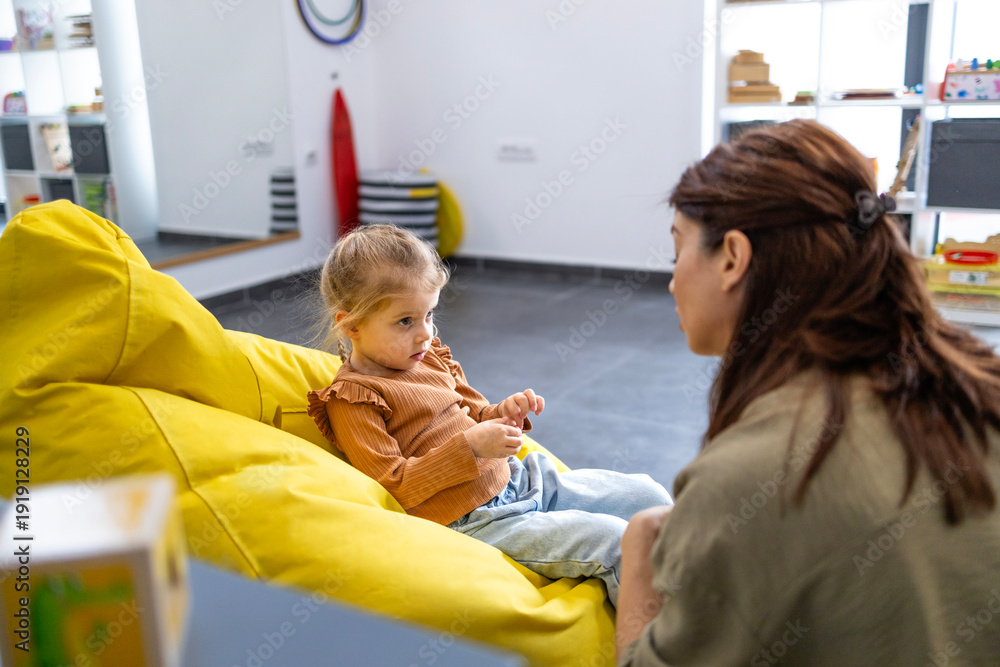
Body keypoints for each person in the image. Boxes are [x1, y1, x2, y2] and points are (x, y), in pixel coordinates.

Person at [616, 119, 1000, 665]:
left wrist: (638, 553)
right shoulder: (979, 382)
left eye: (678, 250)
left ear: (733, 257)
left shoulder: (750, 476)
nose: (674, 281)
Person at [306, 224, 672, 607]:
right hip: (478, 521)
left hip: (519, 479)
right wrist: (471, 447)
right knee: (616, 543)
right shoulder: (354, 398)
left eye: (429, 314)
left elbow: (477, 412)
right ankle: (665, 635)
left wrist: (505, 412)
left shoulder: (429, 358)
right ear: (351, 325)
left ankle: (696, 584)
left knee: (648, 495)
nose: (425, 333)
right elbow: (393, 485)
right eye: (405, 321)